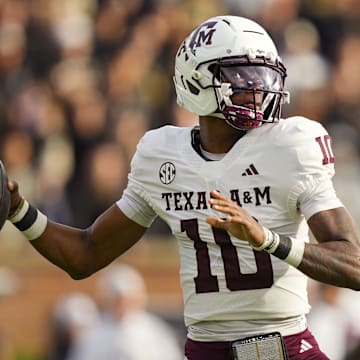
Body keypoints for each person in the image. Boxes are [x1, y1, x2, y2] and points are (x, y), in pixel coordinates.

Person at [5, 15, 360, 360]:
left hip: (282, 349)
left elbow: (353, 265)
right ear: (196, 81)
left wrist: (267, 239)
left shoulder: (289, 146)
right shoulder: (162, 157)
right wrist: (20, 210)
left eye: (264, 74)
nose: (258, 89)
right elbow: (85, 254)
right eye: (243, 76)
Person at [66, 263, 183, 360]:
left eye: (127, 299)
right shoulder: (93, 333)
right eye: (117, 299)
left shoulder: (155, 332)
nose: (122, 305)